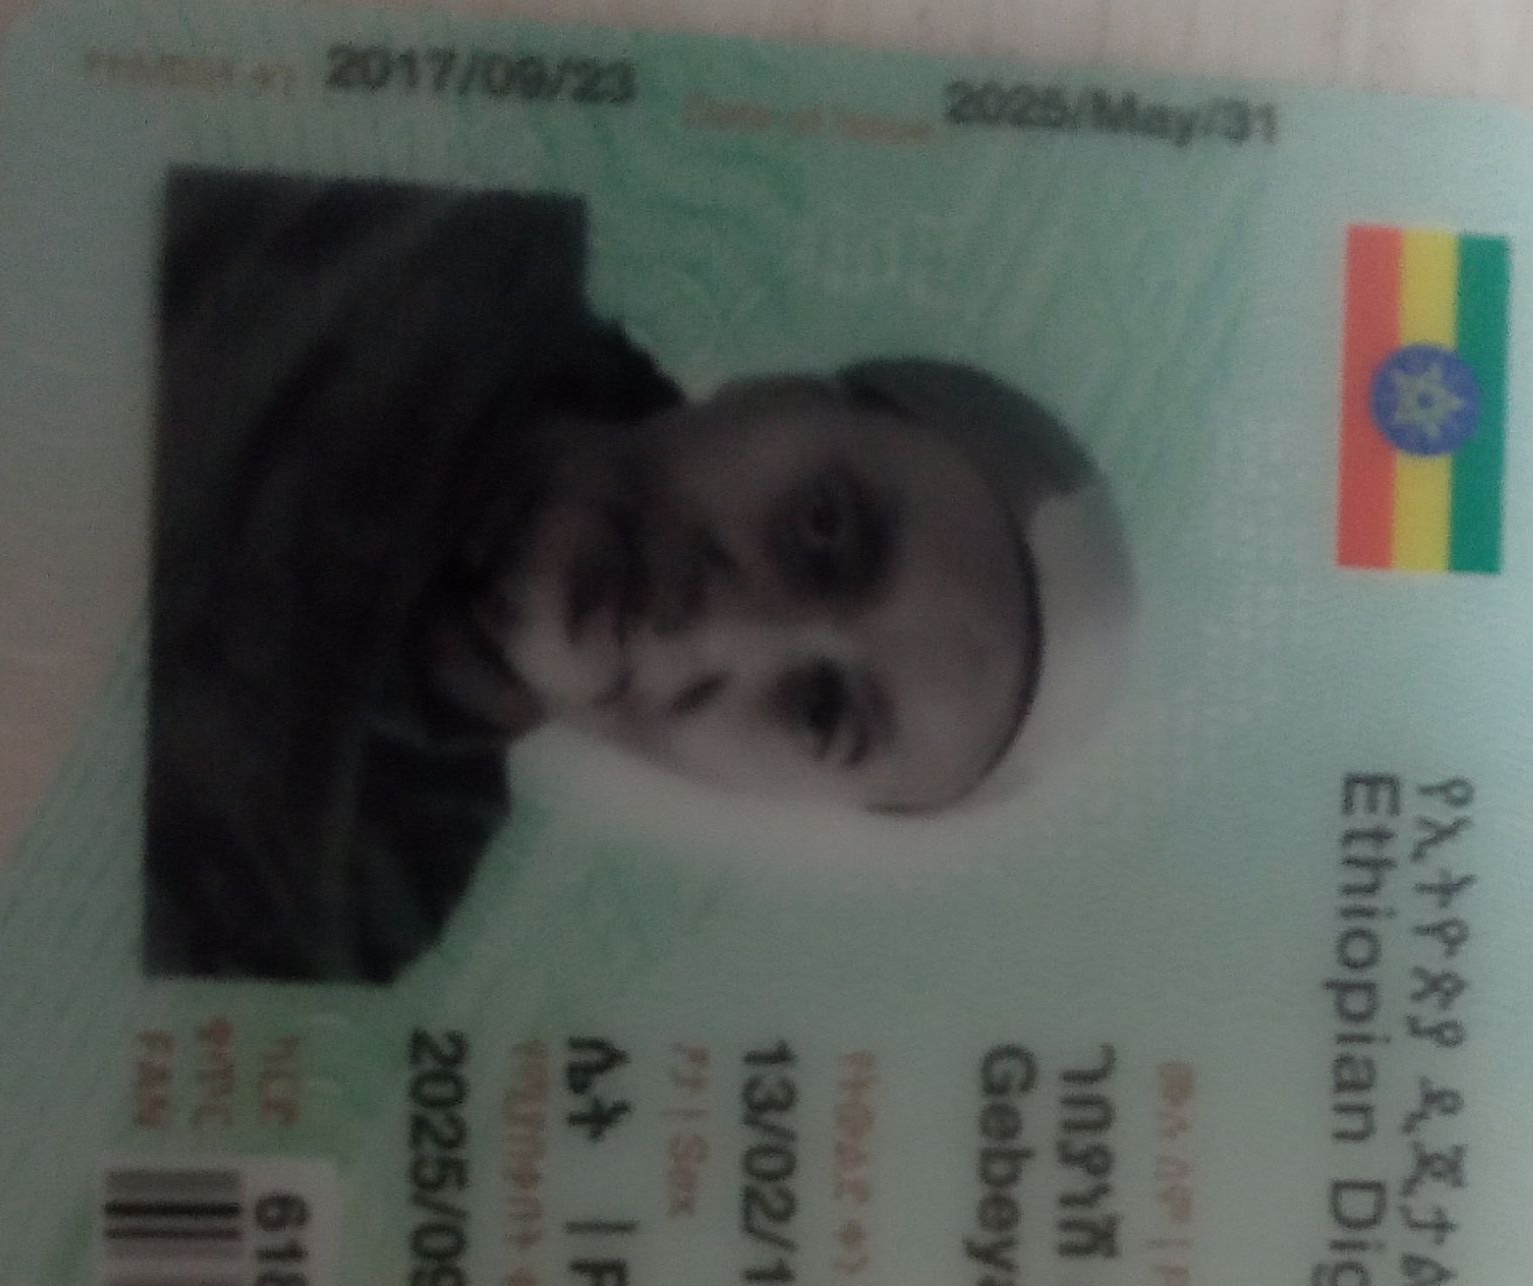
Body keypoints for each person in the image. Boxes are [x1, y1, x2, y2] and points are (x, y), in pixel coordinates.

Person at [147, 170, 1129, 985]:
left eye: (818, 712)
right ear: (778, 391)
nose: (719, 626)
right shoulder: (417, 208)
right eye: (821, 528)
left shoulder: (341, 914)